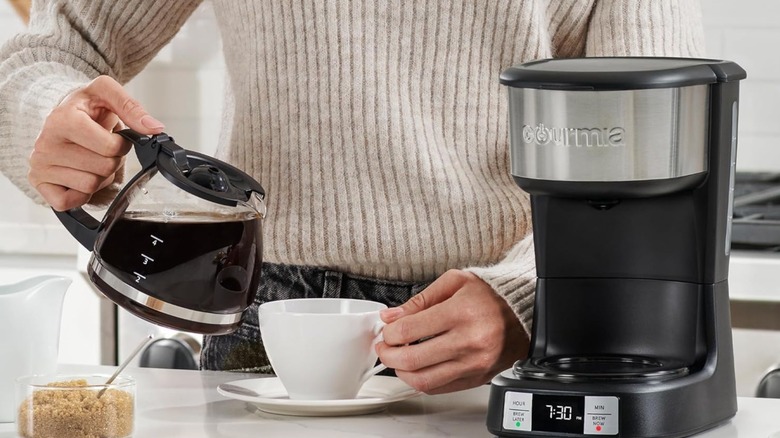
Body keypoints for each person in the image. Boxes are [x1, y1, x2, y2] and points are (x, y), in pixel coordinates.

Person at [0, 0, 704, 395]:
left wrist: (523, 295)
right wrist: (50, 117)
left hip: (499, 337)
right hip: (261, 329)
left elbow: (665, 144)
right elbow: (48, 54)